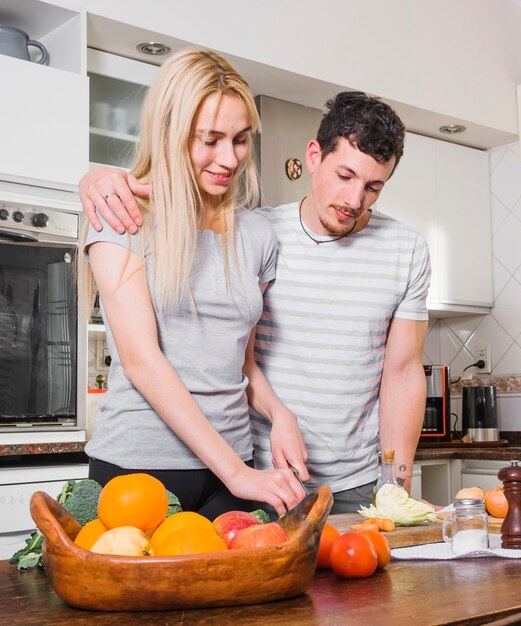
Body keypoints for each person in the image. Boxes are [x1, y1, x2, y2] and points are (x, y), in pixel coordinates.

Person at [80, 90, 431, 514]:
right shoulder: (263, 229)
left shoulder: (400, 249)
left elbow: (403, 373)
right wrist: (96, 177)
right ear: (314, 156)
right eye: (344, 176)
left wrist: (396, 485)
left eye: (373, 187)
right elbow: (157, 358)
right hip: (254, 472)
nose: (354, 201)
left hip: (344, 479)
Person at [78, 48, 306, 519]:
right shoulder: (123, 215)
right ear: (169, 133)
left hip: (235, 466)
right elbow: (143, 362)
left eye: (241, 140)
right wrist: (238, 474)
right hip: (141, 472)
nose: (229, 158)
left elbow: (238, 365)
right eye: (210, 139)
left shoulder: (257, 234)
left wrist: (280, 414)